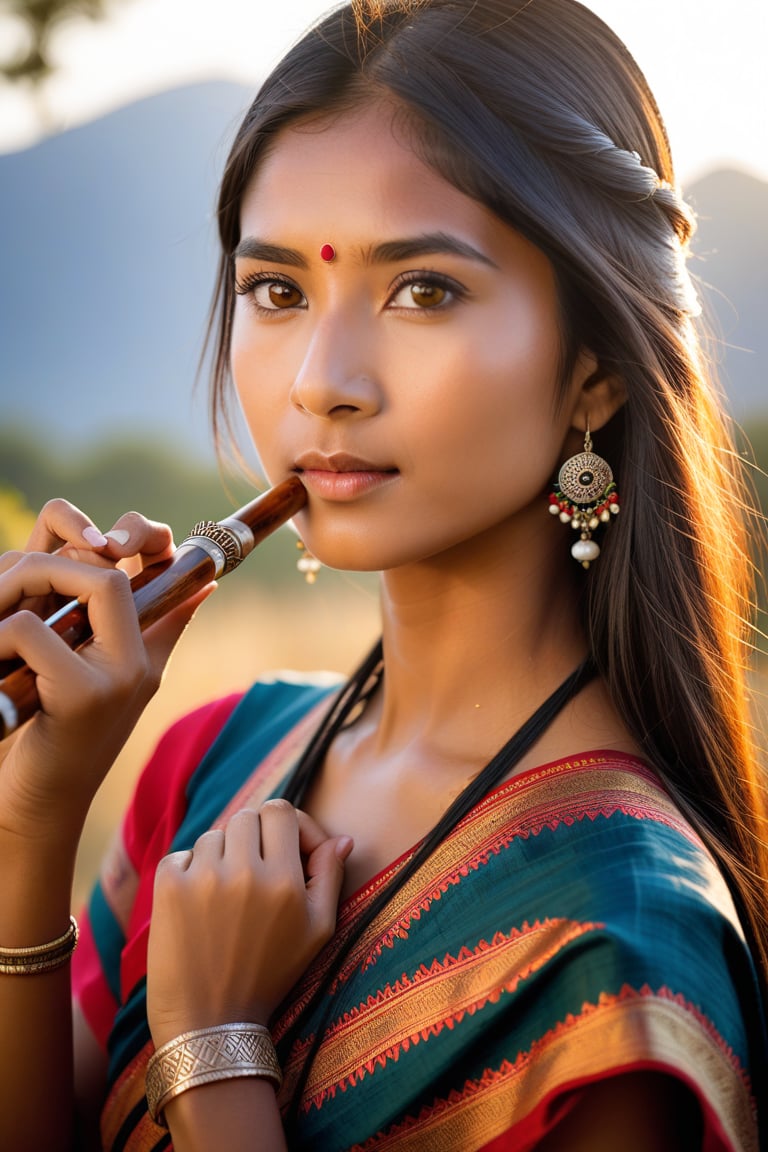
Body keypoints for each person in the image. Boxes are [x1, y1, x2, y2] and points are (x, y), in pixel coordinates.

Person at [0, 0, 766, 1148]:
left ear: (597, 368)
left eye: (423, 290)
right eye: (278, 290)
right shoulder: (210, 762)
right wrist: (34, 818)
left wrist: (212, 1044)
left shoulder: (620, 943)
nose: (321, 380)